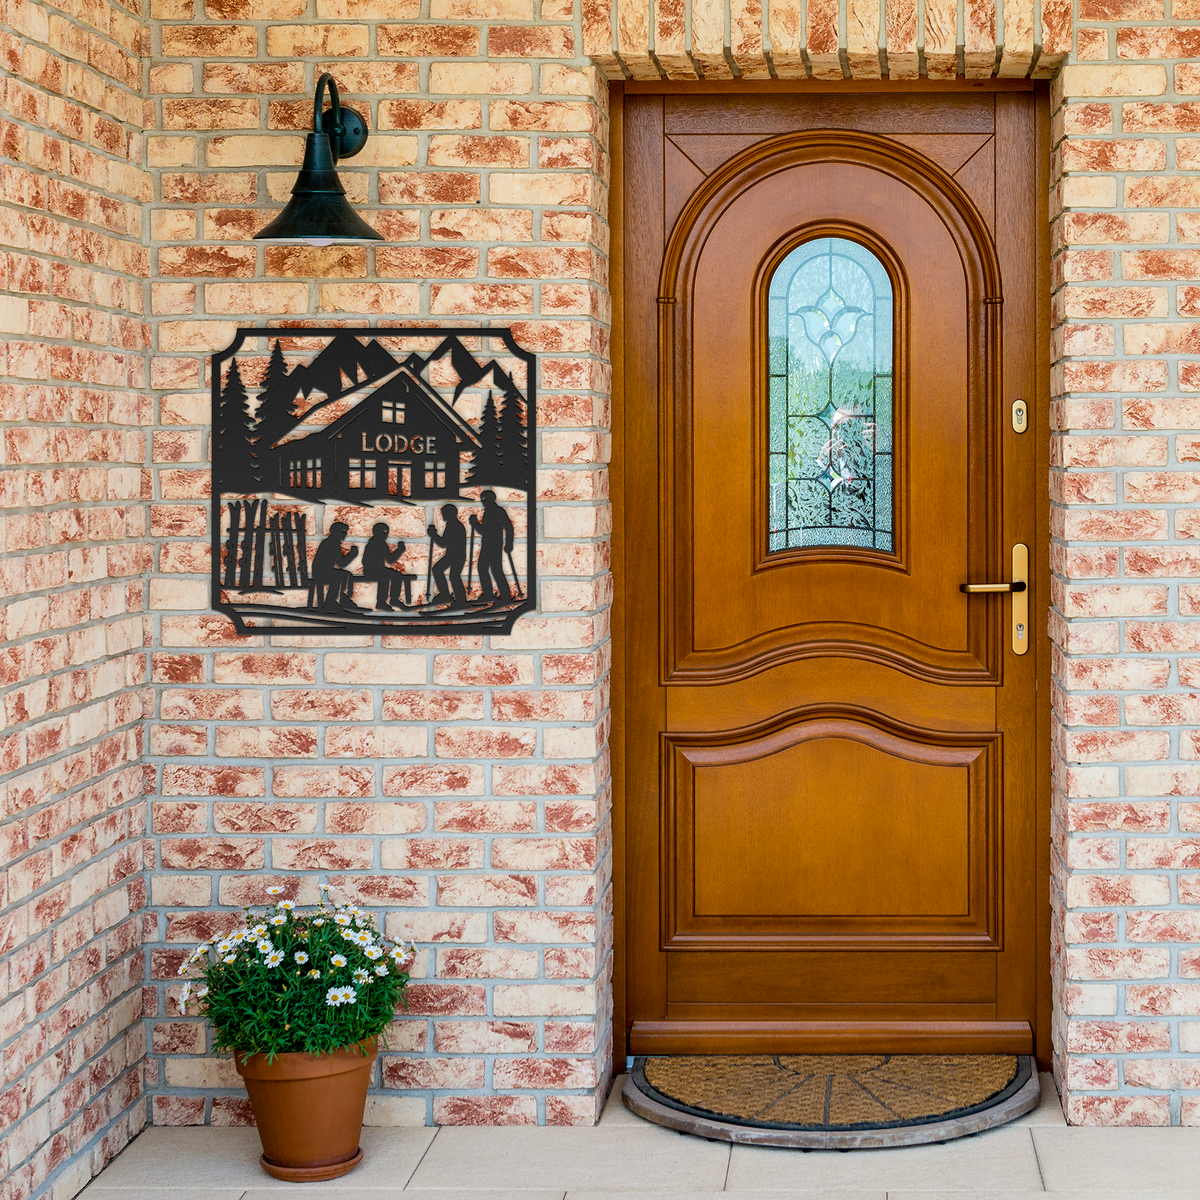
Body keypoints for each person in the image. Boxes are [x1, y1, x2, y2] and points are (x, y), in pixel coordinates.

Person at [469, 490, 513, 603]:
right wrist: (475, 524)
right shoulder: (487, 512)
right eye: (482, 499)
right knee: (482, 568)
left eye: (485, 499)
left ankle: (505, 596)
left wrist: (509, 543)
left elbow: (508, 527)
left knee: (496, 569)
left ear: (491, 499)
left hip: (494, 544)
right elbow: (484, 531)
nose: (483, 502)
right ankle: (489, 594)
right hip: (487, 544)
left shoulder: (498, 512)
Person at [310, 521, 360, 611]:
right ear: (336, 532)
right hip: (321, 572)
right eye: (343, 531)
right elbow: (341, 563)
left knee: (345, 575)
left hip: (324, 570)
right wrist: (352, 554)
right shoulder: (332, 544)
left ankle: (342, 598)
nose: (346, 534)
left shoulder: (331, 542)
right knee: (343, 576)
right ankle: (333, 601)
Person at [361, 522, 412, 610]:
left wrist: (399, 551)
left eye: (387, 532)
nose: (386, 534)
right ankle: (381, 602)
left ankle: (394, 599)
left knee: (396, 575)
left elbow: (389, 560)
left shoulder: (381, 543)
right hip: (370, 570)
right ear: (376, 532)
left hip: (379, 569)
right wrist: (399, 550)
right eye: (384, 532)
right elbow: (390, 560)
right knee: (384, 576)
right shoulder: (375, 543)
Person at [428, 504, 467, 606]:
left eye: (444, 514)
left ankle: (460, 600)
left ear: (450, 514)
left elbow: (443, 543)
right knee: (442, 571)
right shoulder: (453, 524)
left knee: (452, 575)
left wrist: (433, 535)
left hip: (456, 555)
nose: (442, 516)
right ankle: (447, 595)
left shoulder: (453, 526)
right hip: (454, 555)